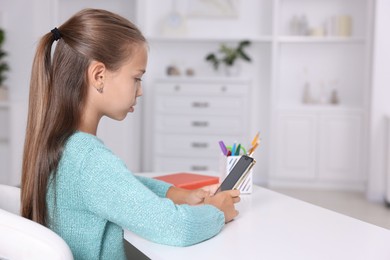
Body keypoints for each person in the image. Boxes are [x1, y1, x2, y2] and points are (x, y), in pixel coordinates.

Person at [21, 8, 240, 259]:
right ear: (99, 75)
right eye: (136, 78)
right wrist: (217, 211)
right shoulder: (89, 160)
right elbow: (176, 228)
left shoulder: (66, 146)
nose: (140, 91)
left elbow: (122, 184)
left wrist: (177, 194)